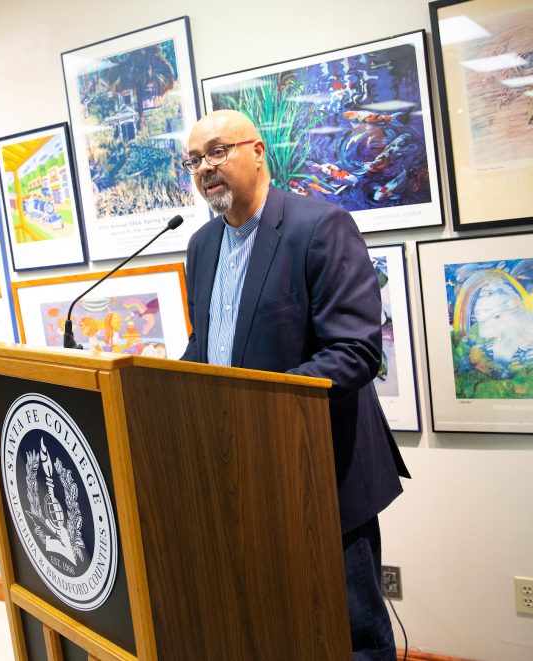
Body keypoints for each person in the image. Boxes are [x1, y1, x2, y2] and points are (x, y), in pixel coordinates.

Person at [179, 109, 409, 660]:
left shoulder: (319, 226)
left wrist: (254, 408)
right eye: (194, 161)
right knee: (271, 620)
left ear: (258, 152)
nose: (205, 168)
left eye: (217, 151)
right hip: (243, 472)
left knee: (354, 634)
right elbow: (206, 346)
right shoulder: (202, 247)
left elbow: (355, 351)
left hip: (322, 471)